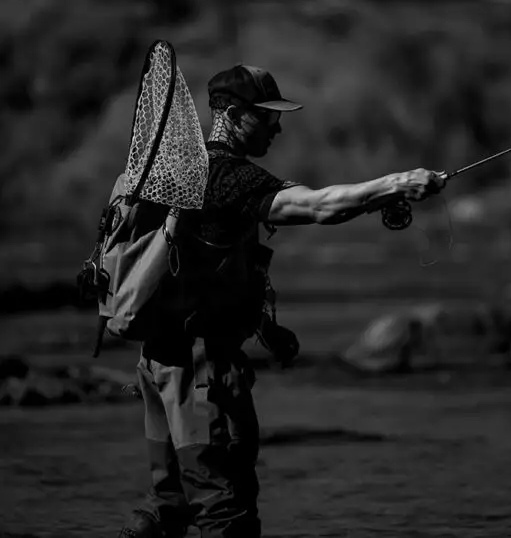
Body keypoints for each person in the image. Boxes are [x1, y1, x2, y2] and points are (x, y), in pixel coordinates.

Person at [119, 64, 446, 538]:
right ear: (230, 114)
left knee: (167, 507)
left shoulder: (175, 169)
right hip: (200, 375)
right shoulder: (230, 177)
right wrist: (394, 185)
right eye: (265, 116)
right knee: (224, 510)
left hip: (157, 364)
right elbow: (319, 206)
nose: (277, 127)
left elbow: (188, 267)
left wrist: (263, 328)